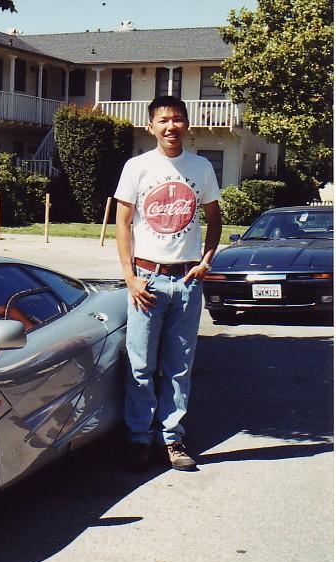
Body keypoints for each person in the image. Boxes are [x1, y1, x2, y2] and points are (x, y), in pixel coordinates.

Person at [114, 95, 222, 472]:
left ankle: (173, 439)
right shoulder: (137, 167)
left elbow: (214, 218)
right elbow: (123, 224)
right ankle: (138, 440)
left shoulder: (201, 167)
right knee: (141, 366)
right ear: (151, 126)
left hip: (188, 281)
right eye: (163, 121)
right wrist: (130, 278)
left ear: (187, 124)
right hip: (147, 280)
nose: (170, 127)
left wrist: (207, 260)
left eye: (177, 119)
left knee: (179, 367)